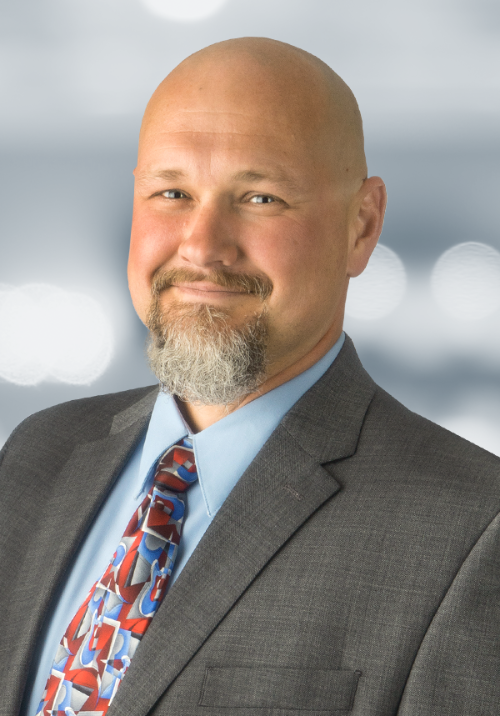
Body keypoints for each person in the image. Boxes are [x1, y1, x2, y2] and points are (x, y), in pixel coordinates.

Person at [1, 37, 499, 716]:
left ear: (361, 225)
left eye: (261, 197)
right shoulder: (37, 456)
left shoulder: (472, 533)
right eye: (172, 192)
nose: (202, 246)